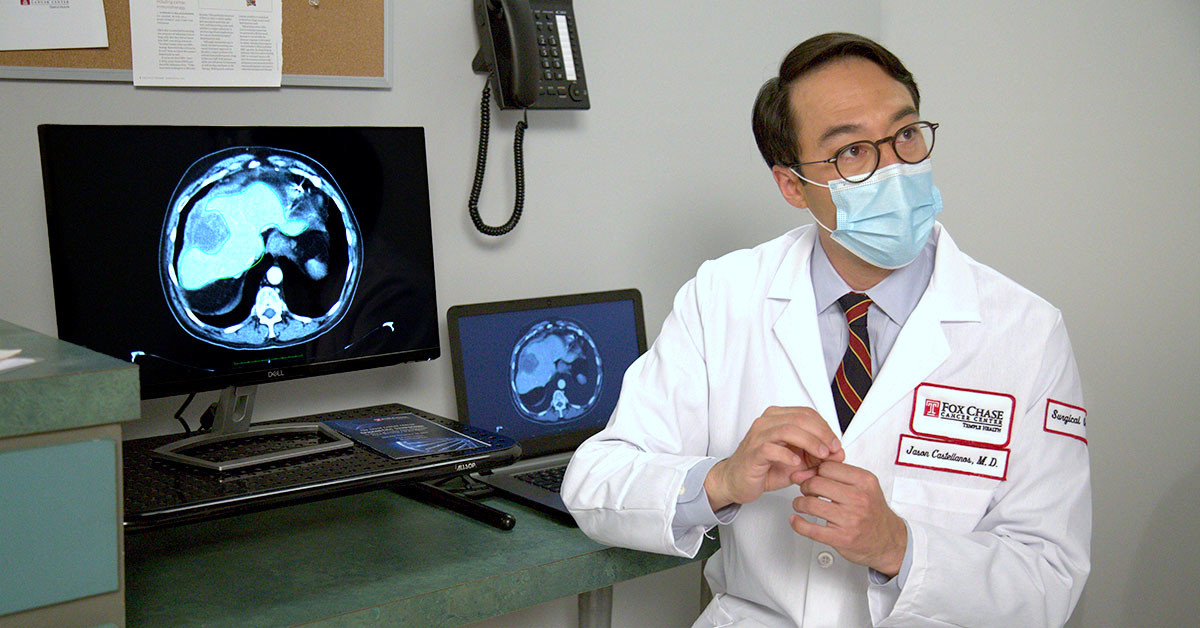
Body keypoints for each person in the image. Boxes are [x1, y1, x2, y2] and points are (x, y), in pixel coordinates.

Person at [562, 32, 1090, 627]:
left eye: (906, 135)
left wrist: (899, 548)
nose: (894, 167)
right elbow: (595, 481)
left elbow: (1049, 577)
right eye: (853, 152)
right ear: (793, 185)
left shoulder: (1025, 332)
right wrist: (722, 478)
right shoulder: (724, 295)